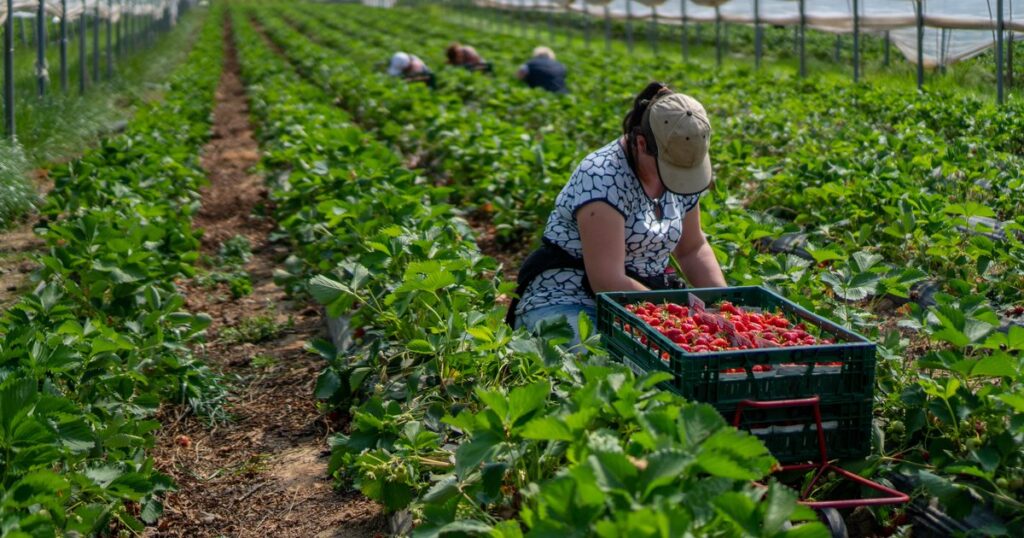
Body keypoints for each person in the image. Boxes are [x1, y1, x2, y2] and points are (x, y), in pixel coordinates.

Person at [506, 82, 727, 343]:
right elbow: (607, 280)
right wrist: (672, 322)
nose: (677, 181)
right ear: (642, 144)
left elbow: (692, 248)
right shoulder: (603, 178)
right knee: (605, 363)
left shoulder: (681, 161)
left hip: (643, 302)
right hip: (570, 301)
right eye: (670, 169)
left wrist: (726, 307)